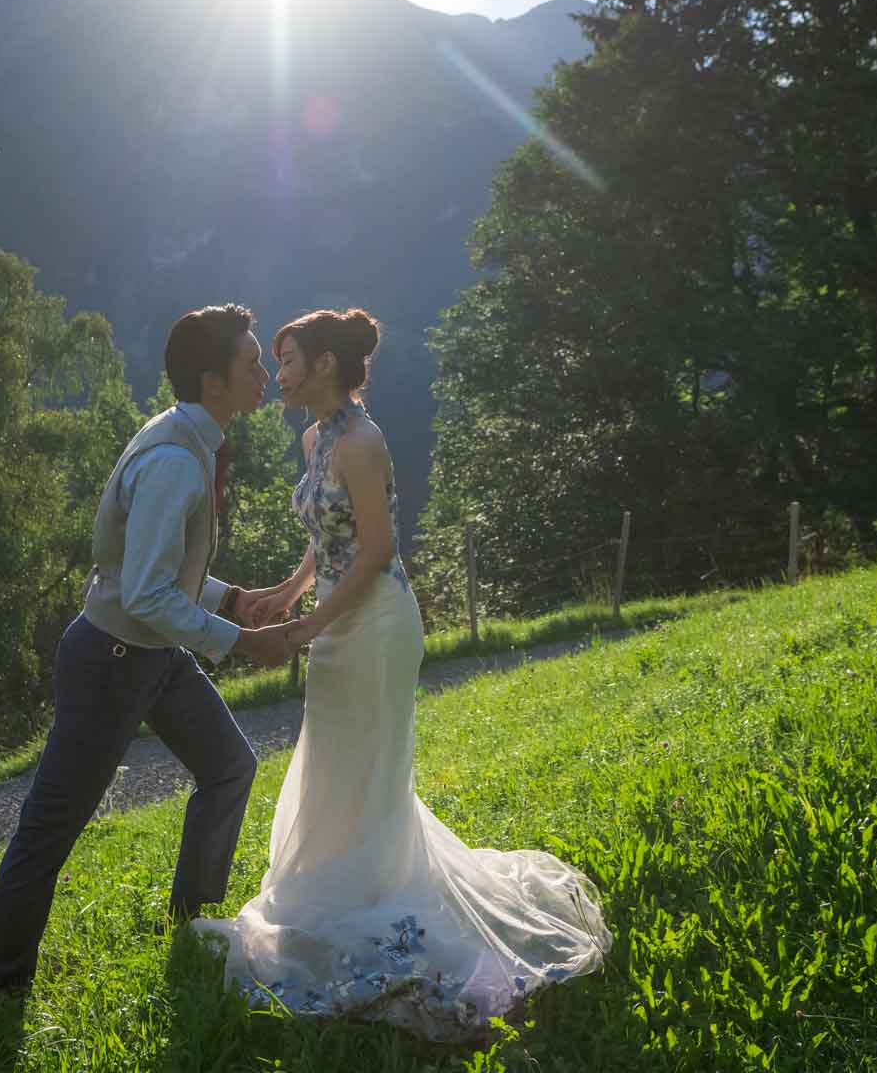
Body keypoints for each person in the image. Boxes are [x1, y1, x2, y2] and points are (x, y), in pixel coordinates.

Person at [193, 308, 611, 1040]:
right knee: (331, 767)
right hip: (334, 622)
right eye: (276, 362)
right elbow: (328, 541)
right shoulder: (314, 436)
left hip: (378, 626)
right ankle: (343, 890)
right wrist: (288, 595)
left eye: (288, 361)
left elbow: (377, 552)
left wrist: (303, 628)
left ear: (325, 365)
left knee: (372, 773)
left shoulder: (363, 441)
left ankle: (381, 899)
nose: (278, 375)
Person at [0, 304, 301, 1003]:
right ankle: (1, 998)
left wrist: (231, 597)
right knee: (48, 834)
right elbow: (149, 595)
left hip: (150, 655)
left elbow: (149, 570)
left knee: (229, 769)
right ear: (213, 381)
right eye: (251, 364)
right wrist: (244, 643)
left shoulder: (187, 434)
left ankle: (191, 928)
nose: (265, 374)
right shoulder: (176, 465)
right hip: (112, 662)